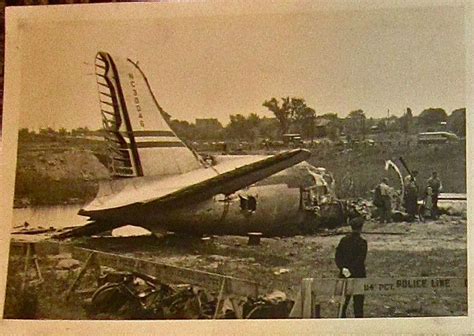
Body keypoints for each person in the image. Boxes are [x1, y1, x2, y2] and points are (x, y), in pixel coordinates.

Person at [335, 216, 367, 318]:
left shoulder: (344, 240)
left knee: (343, 303)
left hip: (344, 275)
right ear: (361, 228)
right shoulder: (362, 243)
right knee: (358, 304)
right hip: (358, 275)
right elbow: (360, 260)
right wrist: (351, 270)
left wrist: (343, 269)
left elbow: (338, 256)